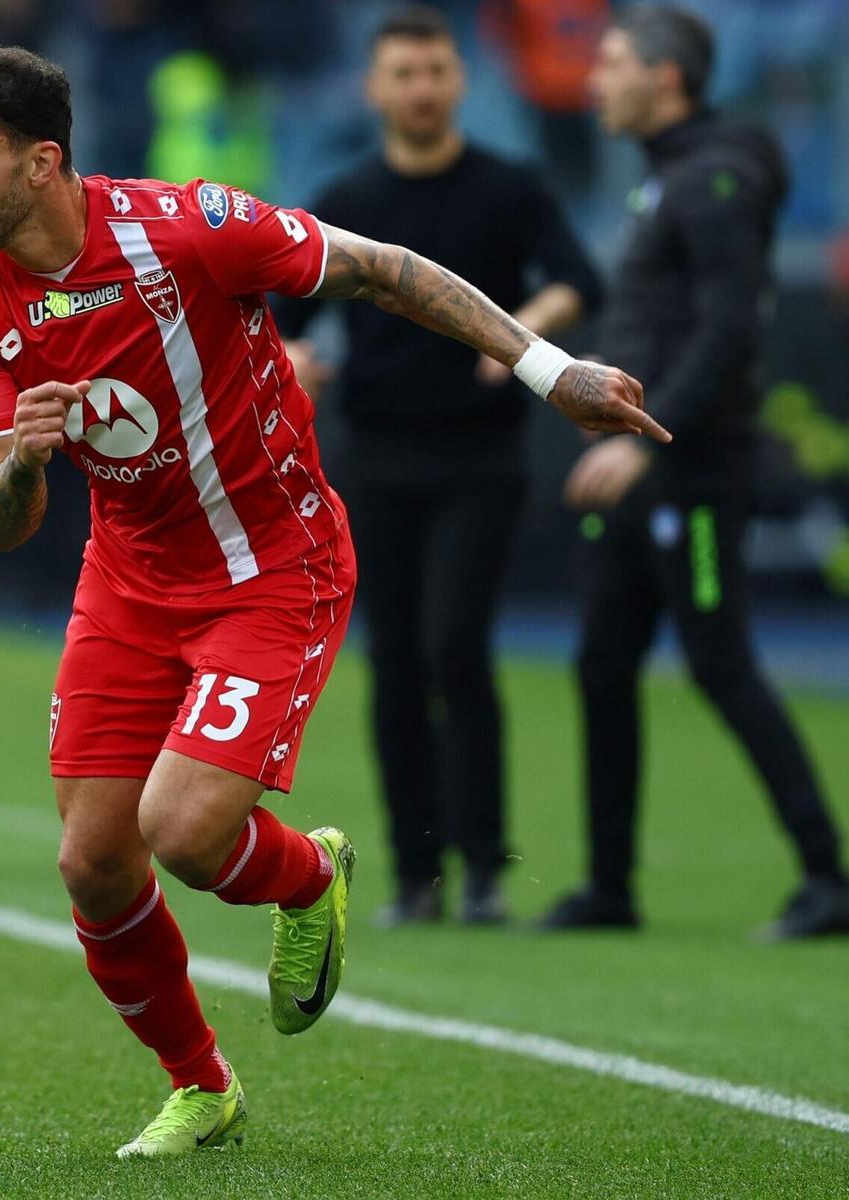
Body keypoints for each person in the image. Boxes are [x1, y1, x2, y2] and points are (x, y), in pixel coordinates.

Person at [0, 46, 664, 1159]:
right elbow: (0, 517)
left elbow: (385, 268)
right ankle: (202, 1085)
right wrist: (23, 462)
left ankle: (311, 876)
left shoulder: (191, 230)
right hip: (125, 582)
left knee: (181, 834)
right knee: (91, 861)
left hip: (273, 566)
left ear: (42, 162)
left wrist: (554, 374)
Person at [544, 6, 849, 939]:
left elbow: (730, 328)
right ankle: (609, 888)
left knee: (721, 667)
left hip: (690, 474)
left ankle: (831, 879)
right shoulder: (672, 177)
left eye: (612, 63)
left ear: (668, 79)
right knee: (602, 665)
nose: (595, 80)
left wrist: (638, 438)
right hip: (644, 473)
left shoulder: (714, 177)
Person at [272, 5, 603, 927]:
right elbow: (281, 323)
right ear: (376, 89)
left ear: (459, 82)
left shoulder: (510, 187)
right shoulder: (347, 199)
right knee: (395, 660)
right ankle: (419, 877)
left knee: (457, 647)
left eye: (435, 72)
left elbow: (582, 276)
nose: (421, 89)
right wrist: (295, 359)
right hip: (375, 456)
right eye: (403, 74)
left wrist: (521, 340)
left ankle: (486, 869)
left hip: (478, 455)